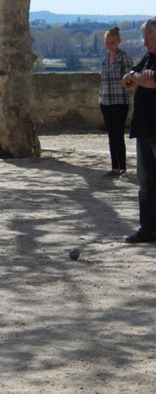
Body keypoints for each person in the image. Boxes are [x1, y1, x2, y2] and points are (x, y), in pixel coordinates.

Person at [122, 17, 156, 243]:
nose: (145, 43)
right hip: (144, 127)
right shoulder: (148, 57)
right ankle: (148, 229)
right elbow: (130, 82)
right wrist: (136, 77)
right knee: (146, 183)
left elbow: (152, 83)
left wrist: (137, 78)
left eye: (149, 38)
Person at [99, 27, 133, 179]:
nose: (109, 45)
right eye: (107, 42)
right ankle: (114, 167)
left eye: (112, 42)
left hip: (119, 101)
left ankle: (123, 169)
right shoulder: (105, 60)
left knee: (118, 135)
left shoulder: (124, 58)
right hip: (105, 101)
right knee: (111, 135)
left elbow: (130, 78)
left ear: (118, 42)